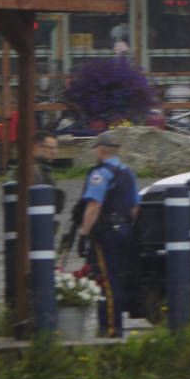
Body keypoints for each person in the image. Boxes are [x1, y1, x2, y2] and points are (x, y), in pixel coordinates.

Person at [78, 133, 139, 338]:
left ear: (100, 150)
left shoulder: (101, 174)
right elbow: (135, 208)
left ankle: (111, 328)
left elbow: (94, 206)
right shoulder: (128, 173)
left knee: (106, 280)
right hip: (124, 230)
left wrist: (84, 233)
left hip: (106, 233)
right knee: (116, 277)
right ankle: (111, 325)